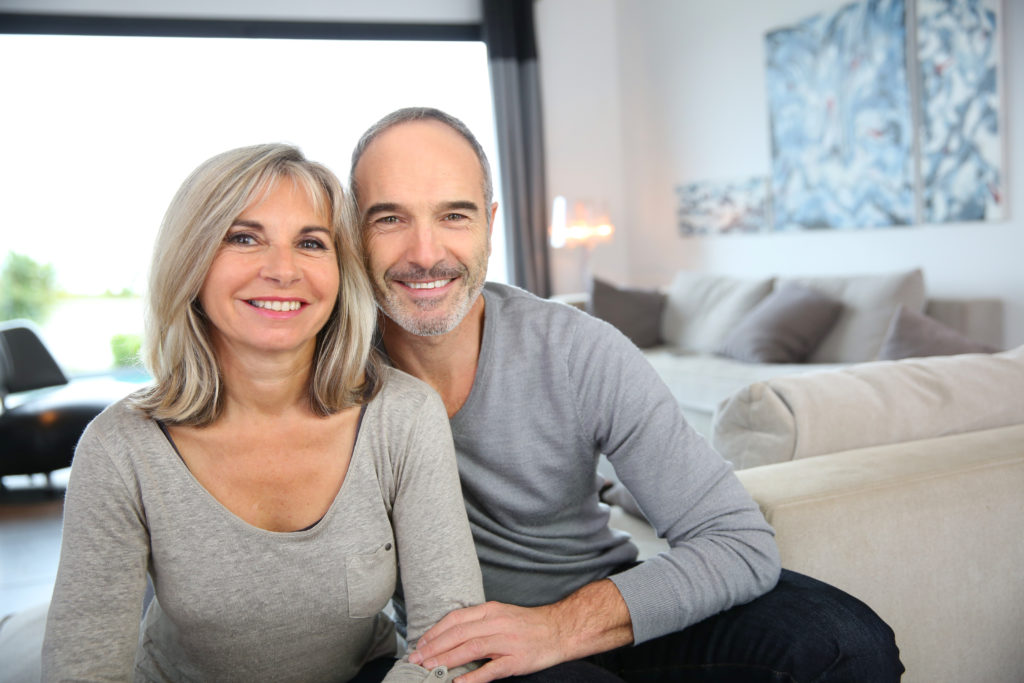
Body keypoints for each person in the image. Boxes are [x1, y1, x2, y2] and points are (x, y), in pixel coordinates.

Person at [348, 107, 905, 683]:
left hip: (602, 616)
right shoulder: (331, 372)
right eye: (389, 219)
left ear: (490, 224)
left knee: (846, 643)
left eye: (454, 215)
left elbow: (737, 541)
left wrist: (559, 628)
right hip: (466, 650)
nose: (423, 252)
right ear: (352, 232)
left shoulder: (577, 349)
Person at [41, 144, 486, 683]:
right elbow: (83, 669)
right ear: (192, 260)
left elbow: (449, 638)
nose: (283, 270)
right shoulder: (119, 448)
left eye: (311, 243)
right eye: (244, 238)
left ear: (340, 272)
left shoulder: (404, 415)